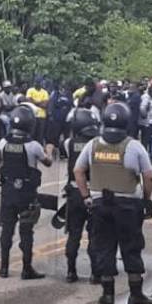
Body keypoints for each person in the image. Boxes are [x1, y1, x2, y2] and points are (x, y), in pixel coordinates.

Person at [74, 101, 152, 304]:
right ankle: (136, 294)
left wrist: (86, 196)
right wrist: (147, 199)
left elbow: (78, 170)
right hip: (128, 206)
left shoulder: (92, 145)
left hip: (100, 205)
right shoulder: (134, 146)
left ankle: (108, 294)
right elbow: (148, 176)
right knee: (131, 248)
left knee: (105, 248)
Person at [0, 105, 52, 280]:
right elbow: (48, 162)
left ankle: (3, 268)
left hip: (7, 192)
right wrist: (49, 149)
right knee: (26, 232)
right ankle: (26, 269)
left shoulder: (3, 143)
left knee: (6, 230)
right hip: (26, 194)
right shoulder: (33, 146)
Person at [57, 107, 100, 283]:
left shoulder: (68, 143)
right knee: (95, 235)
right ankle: (95, 273)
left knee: (74, 234)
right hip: (95, 193)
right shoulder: (100, 143)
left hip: (75, 193)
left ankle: (71, 272)